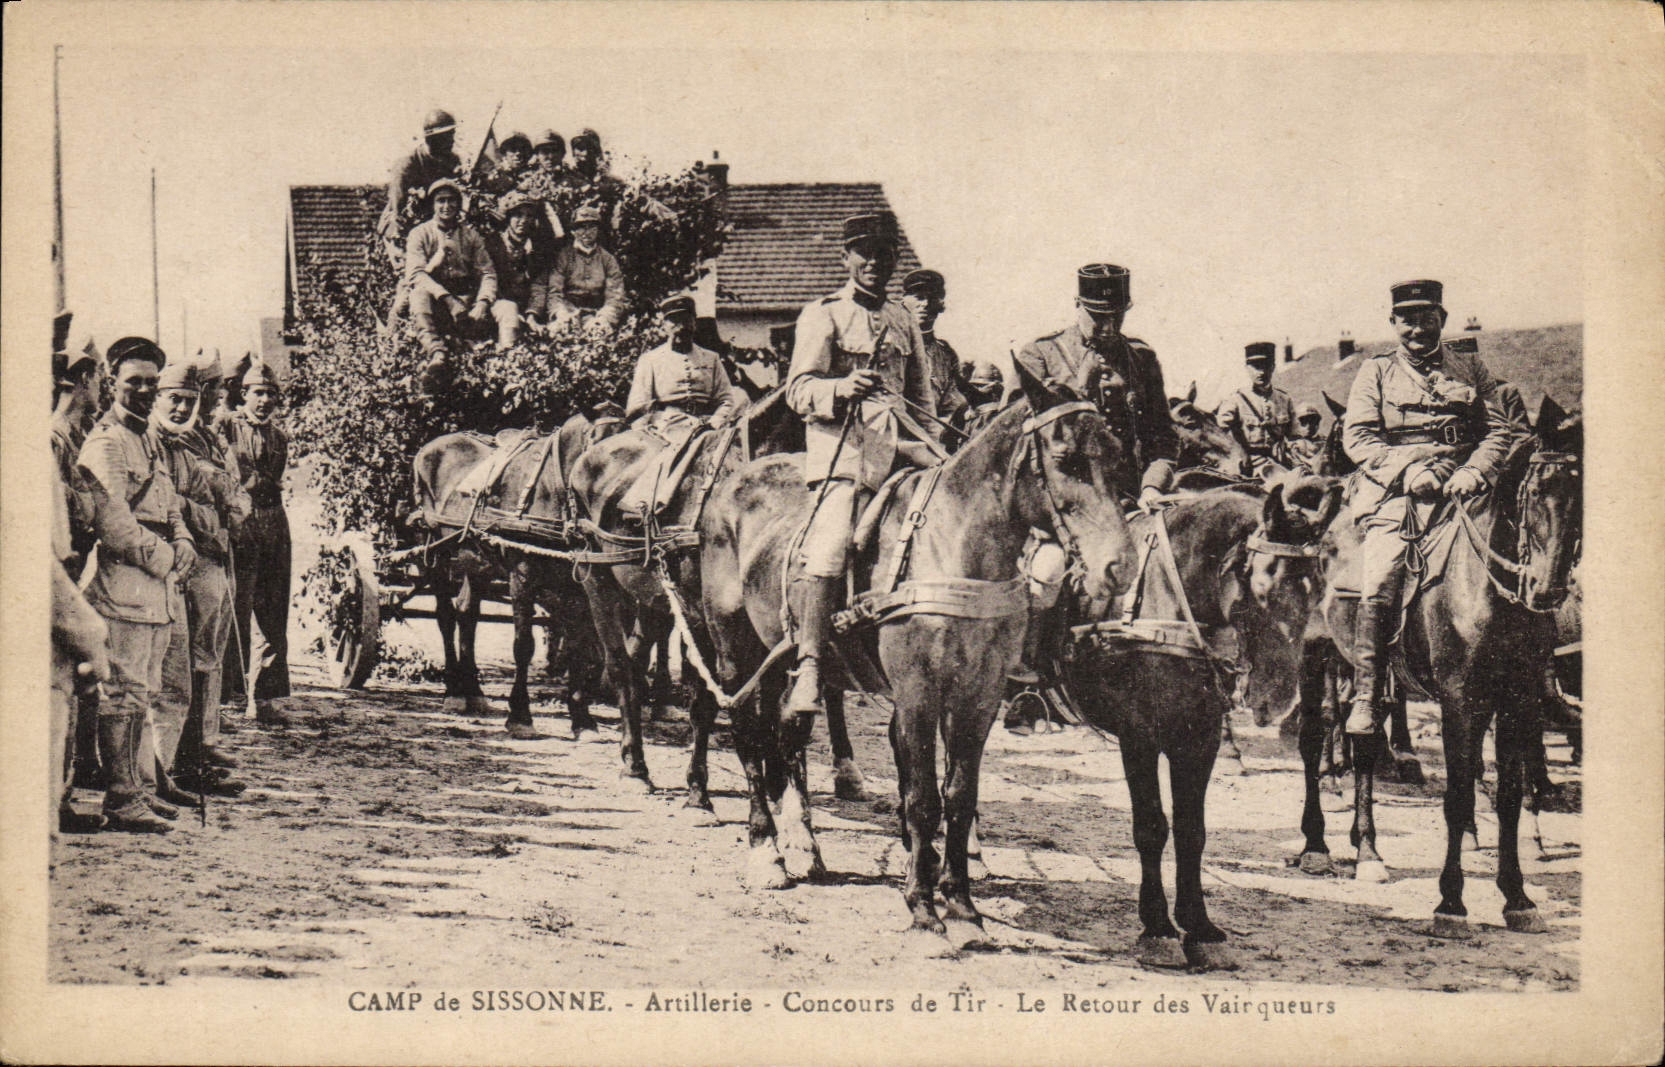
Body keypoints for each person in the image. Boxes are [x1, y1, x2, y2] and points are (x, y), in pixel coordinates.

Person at [1006, 264, 1179, 729]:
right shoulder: (1040, 356)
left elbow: (1164, 438)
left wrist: (1152, 485)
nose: (1107, 327)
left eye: (1115, 315)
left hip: (1127, 499)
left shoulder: (1141, 359)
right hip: (1065, 503)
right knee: (1048, 571)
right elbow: (1020, 442)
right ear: (1077, 306)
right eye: (1097, 315)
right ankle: (1029, 685)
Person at [783, 211, 941, 716]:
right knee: (828, 547)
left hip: (905, 447)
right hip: (844, 453)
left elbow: (922, 399)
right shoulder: (823, 313)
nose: (875, 262)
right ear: (846, 257)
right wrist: (840, 388)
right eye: (865, 253)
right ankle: (808, 664)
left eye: (885, 254)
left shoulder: (902, 320)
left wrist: (936, 449)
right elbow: (798, 390)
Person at [1341, 279, 1514, 736]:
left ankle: (1537, 675)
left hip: (1465, 483)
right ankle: (1368, 692)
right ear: (1394, 323)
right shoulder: (1374, 371)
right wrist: (1407, 473)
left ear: (1443, 319)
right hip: (1400, 491)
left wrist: (1476, 471)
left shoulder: (1471, 367)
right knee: (1379, 575)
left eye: (1427, 317)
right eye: (1408, 319)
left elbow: (1499, 430)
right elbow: (1358, 437)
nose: (1418, 327)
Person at [77, 337, 195, 833]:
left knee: (143, 693)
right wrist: (168, 557)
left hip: (158, 586)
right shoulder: (105, 442)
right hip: (125, 585)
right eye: (134, 383)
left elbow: (168, 499)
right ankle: (122, 799)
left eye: (152, 382)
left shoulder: (147, 437)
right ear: (111, 381)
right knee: (122, 694)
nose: (145, 391)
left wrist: (185, 537)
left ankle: (142, 789)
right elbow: (115, 525)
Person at [153, 356, 250, 796]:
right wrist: (203, 513)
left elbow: (219, 505)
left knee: (201, 663)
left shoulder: (190, 443)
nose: (184, 408)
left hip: (203, 558)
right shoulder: (154, 442)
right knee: (172, 675)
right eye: (176, 399)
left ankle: (192, 757)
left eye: (191, 400)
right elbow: (171, 503)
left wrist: (204, 512)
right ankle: (164, 769)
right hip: (170, 566)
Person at [220, 360, 293, 726]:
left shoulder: (280, 437)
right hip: (241, 525)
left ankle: (264, 697)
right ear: (244, 394)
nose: (264, 400)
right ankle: (230, 698)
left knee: (273, 608)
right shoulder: (225, 427)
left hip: (274, 523)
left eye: (271, 394)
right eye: (258, 393)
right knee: (237, 607)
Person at [51, 315, 107, 793]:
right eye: (99, 379)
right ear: (83, 381)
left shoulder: (72, 437)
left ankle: (75, 776)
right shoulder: (54, 439)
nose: (101, 389)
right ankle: (63, 790)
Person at [402, 178, 502, 369]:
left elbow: (487, 273)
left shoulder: (470, 235)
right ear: (432, 204)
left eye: (451, 200)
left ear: (459, 203)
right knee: (418, 295)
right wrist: (447, 299)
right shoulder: (419, 233)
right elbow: (416, 274)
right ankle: (436, 351)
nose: (446, 206)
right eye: (441, 200)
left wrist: (483, 302)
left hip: (465, 295)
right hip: (435, 296)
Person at [625, 294, 738, 433]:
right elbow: (638, 406)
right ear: (664, 325)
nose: (681, 327)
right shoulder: (650, 360)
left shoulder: (711, 358)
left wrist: (715, 423)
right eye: (675, 321)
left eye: (686, 320)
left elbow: (726, 399)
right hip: (664, 429)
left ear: (694, 323)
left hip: (706, 428)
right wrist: (643, 435)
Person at [376, 108, 463, 266]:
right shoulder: (407, 165)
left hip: (435, 224)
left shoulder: (451, 161)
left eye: (452, 135)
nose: (452, 141)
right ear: (432, 139)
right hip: (402, 225)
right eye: (446, 137)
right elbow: (398, 209)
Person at [899, 269, 969, 434]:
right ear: (903, 302)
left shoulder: (945, 354)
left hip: (936, 435)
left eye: (932, 298)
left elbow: (952, 402)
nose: (925, 304)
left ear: (941, 305)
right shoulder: (893, 347)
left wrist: (944, 426)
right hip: (896, 435)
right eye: (919, 297)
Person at [1216, 341, 1295, 476]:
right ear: (1247, 368)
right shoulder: (1235, 400)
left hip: (1280, 463)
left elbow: (1295, 435)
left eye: (1266, 366)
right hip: (1247, 466)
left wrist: (1287, 447)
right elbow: (1219, 432)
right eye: (1256, 367)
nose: (1261, 372)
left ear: (1273, 367)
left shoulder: (1284, 399)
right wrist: (1241, 452)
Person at [544, 204, 624, 333]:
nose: (586, 232)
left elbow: (615, 295)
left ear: (598, 230)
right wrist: (560, 313)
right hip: (568, 311)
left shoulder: (607, 259)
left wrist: (605, 317)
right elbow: (554, 292)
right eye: (581, 227)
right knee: (556, 333)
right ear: (574, 231)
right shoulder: (564, 256)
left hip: (596, 313)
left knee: (600, 334)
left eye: (591, 227)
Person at [485, 192, 549, 345]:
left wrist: (532, 314)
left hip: (526, 308)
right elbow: (487, 280)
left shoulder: (537, 249)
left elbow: (539, 285)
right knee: (509, 311)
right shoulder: (493, 244)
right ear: (508, 218)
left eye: (529, 216)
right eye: (518, 215)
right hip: (497, 305)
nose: (523, 221)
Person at [481, 131, 532, 197]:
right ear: (505, 153)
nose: (518, 153)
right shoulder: (497, 173)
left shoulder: (533, 174)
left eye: (522, 149)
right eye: (513, 149)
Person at [1288, 402, 1326, 475]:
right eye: (1304, 422)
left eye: (1312, 421)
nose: (1308, 426)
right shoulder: (1294, 445)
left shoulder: (1325, 442)